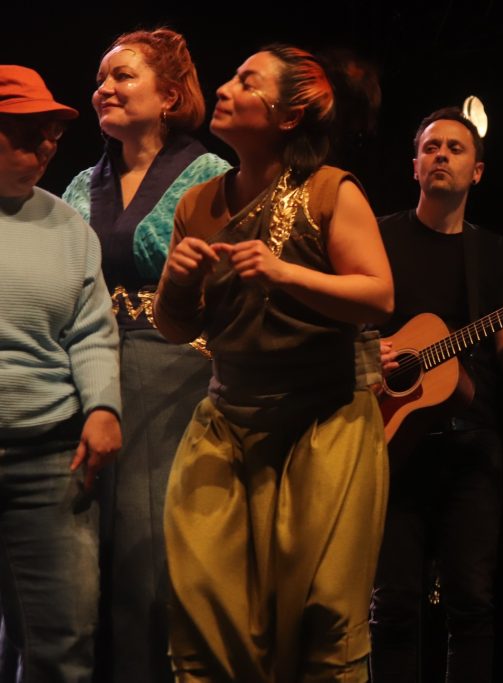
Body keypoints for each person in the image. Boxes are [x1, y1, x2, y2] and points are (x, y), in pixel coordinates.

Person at [153, 44, 393, 682]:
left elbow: (379, 294)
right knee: (204, 615)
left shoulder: (328, 191)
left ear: (288, 117)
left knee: (324, 619)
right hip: (230, 422)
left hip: (326, 422)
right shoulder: (197, 203)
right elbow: (177, 328)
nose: (225, 88)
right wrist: (176, 284)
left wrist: (284, 272)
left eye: (245, 81)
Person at [60, 28, 229, 683]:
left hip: (177, 377)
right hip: (87, 374)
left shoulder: (214, 177)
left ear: (171, 95)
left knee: (150, 559)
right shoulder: (81, 184)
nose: (103, 88)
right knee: (79, 562)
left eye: (123, 76)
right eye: (101, 77)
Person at [369, 107, 503, 683]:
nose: (442, 155)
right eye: (431, 148)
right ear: (415, 165)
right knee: (393, 603)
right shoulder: (378, 237)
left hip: (471, 442)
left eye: (455, 148)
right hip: (391, 436)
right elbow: (346, 320)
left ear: (477, 171)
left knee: (471, 602)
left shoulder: (493, 253)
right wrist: (367, 352)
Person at [0, 64, 121, 682]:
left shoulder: (67, 226)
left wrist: (102, 405)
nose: (45, 147)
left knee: (64, 641)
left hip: (50, 457)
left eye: (49, 134)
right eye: (26, 134)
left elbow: (93, 329)